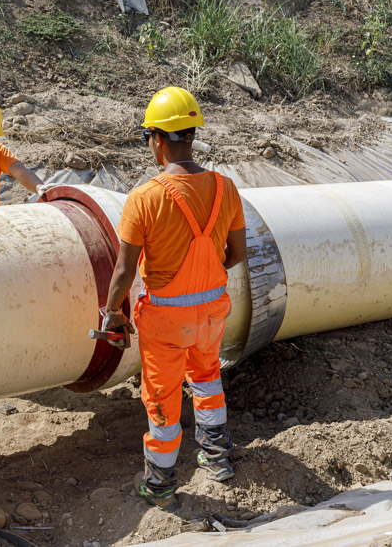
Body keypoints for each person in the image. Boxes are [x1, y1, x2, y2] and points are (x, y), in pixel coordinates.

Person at [101, 86, 248, 510]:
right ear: (191, 136)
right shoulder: (225, 188)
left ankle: (160, 483)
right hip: (212, 311)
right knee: (207, 376)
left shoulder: (145, 198)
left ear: (158, 139)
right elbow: (237, 254)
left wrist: (111, 314)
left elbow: (124, 271)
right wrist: (205, 276)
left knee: (162, 398)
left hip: (166, 321)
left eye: (148, 137)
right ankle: (217, 458)